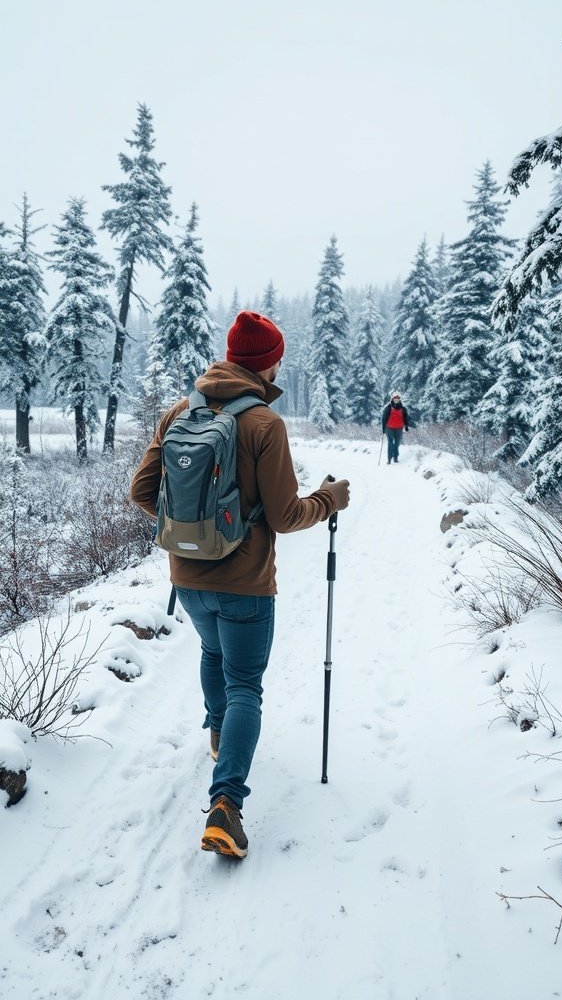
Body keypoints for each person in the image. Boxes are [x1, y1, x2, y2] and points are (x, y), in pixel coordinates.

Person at [130, 310, 350, 859]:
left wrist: (187, 529)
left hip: (187, 577)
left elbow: (141, 492)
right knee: (245, 684)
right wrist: (328, 501)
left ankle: (218, 736)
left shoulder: (180, 411)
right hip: (247, 583)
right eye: (277, 356)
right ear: (267, 362)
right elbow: (283, 515)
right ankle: (226, 805)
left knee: (211, 651)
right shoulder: (265, 426)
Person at [381, 390, 410, 464]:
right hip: (389, 428)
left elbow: (405, 418)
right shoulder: (388, 408)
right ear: (392, 398)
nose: (396, 399)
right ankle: (389, 459)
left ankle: (395, 457)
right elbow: (384, 419)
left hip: (399, 428)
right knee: (390, 443)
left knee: (397, 443)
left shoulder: (403, 408)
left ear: (400, 399)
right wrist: (383, 429)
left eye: (398, 398)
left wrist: (406, 426)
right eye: (395, 398)